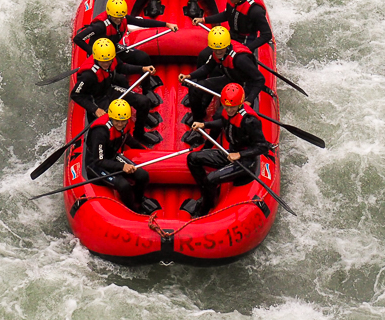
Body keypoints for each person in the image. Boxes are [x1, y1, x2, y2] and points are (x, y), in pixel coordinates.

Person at [182, 83, 271, 218]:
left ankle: (204, 209)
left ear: (240, 104)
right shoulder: (228, 111)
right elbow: (223, 123)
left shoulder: (250, 121)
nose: (229, 110)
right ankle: (206, 192)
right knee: (192, 158)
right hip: (230, 152)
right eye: (227, 107)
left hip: (246, 161)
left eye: (232, 107)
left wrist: (240, 155)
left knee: (211, 179)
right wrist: (204, 124)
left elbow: (262, 146)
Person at [73, 0, 177, 92]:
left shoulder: (122, 18)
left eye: (121, 17)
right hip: (100, 54)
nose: (119, 20)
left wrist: (166, 24)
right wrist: (94, 54)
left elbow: (142, 22)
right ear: (109, 14)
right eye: (116, 17)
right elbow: (78, 39)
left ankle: (146, 87)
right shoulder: (99, 26)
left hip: (113, 47)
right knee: (120, 77)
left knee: (143, 57)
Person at [71, 38, 162, 145]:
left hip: (109, 90)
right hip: (97, 99)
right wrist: (95, 109)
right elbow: (75, 94)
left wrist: (142, 69)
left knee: (143, 101)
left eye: (109, 61)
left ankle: (139, 133)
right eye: (103, 61)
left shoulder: (111, 59)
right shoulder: (88, 75)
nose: (107, 64)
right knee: (111, 124)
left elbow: (122, 68)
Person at [83, 99, 160, 214]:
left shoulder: (124, 124)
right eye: (117, 121)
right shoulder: (100, 132)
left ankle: (139, 198)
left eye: (123, 121)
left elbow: (126, 138)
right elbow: (99, 161)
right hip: (96, 164)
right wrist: (122, 166)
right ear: (111, 117)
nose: (120, 124)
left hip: (112, 157)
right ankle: (132, 209)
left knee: (143, 175)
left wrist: (143, 150)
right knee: (123, 185)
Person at [178, 27, 265, 125]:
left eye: (221, 49)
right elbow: (207, 67)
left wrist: (249, 101)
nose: (218, 52)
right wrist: (189, 76)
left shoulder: (240, 59)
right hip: (229, 79)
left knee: (219, 116)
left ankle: (212, 135)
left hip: (242, 87)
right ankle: (198, 119)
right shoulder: (217, 51)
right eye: (215, 50)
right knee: (194, 88)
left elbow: (260, 79)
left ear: (227, 46)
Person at [191, 0, 272, 51]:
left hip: (246, 42)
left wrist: (248, 49)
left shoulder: (255, 11)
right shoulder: (233, 1)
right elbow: (226, 15)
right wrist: (204, 20)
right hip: (231, 36)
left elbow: (267, 34)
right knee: (205, 54)